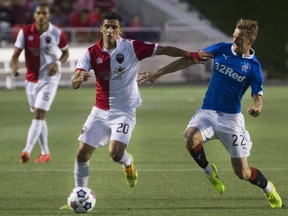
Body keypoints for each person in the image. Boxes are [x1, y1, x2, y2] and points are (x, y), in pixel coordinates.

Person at [137, 18, 282, 208]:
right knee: (190, 137)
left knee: (243, 173)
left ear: (250, 42)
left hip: (231, 120)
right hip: (208, 112)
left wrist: (257, 107)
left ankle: (268, 188)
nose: (235, 42)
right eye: (234, 37)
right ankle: (209, 171)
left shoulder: (254, 67)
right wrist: (159, 72)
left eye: (240, 40)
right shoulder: (221, 48)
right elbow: (190, 59)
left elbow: (258, 95)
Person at [69, 11, 211, 191]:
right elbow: (74, 81)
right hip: (100, 110)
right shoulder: (91, 53)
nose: (110, 30)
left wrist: (191, 55)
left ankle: (128, 164)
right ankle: (79, 193)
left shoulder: (132, 47)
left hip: (124, 110)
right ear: (101, 29)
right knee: (82, 154)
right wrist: (78, 79)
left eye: (114, 27)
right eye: (107, 26)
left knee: (115, 153)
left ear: (120, 30)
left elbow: (165, 49)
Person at [10, 2, 69, 164]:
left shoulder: (56, 32)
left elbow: (66, 53)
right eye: (38, 13)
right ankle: (45, 153)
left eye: (45, 13)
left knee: (38, 114)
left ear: (49, 16)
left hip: (49, 79)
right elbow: (15, 55)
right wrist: (15, 67)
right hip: (31, 80)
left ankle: (26, 151)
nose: (41, 16)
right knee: (38, 118)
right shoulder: (25, 32)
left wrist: (57, 63)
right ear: (34, 15)